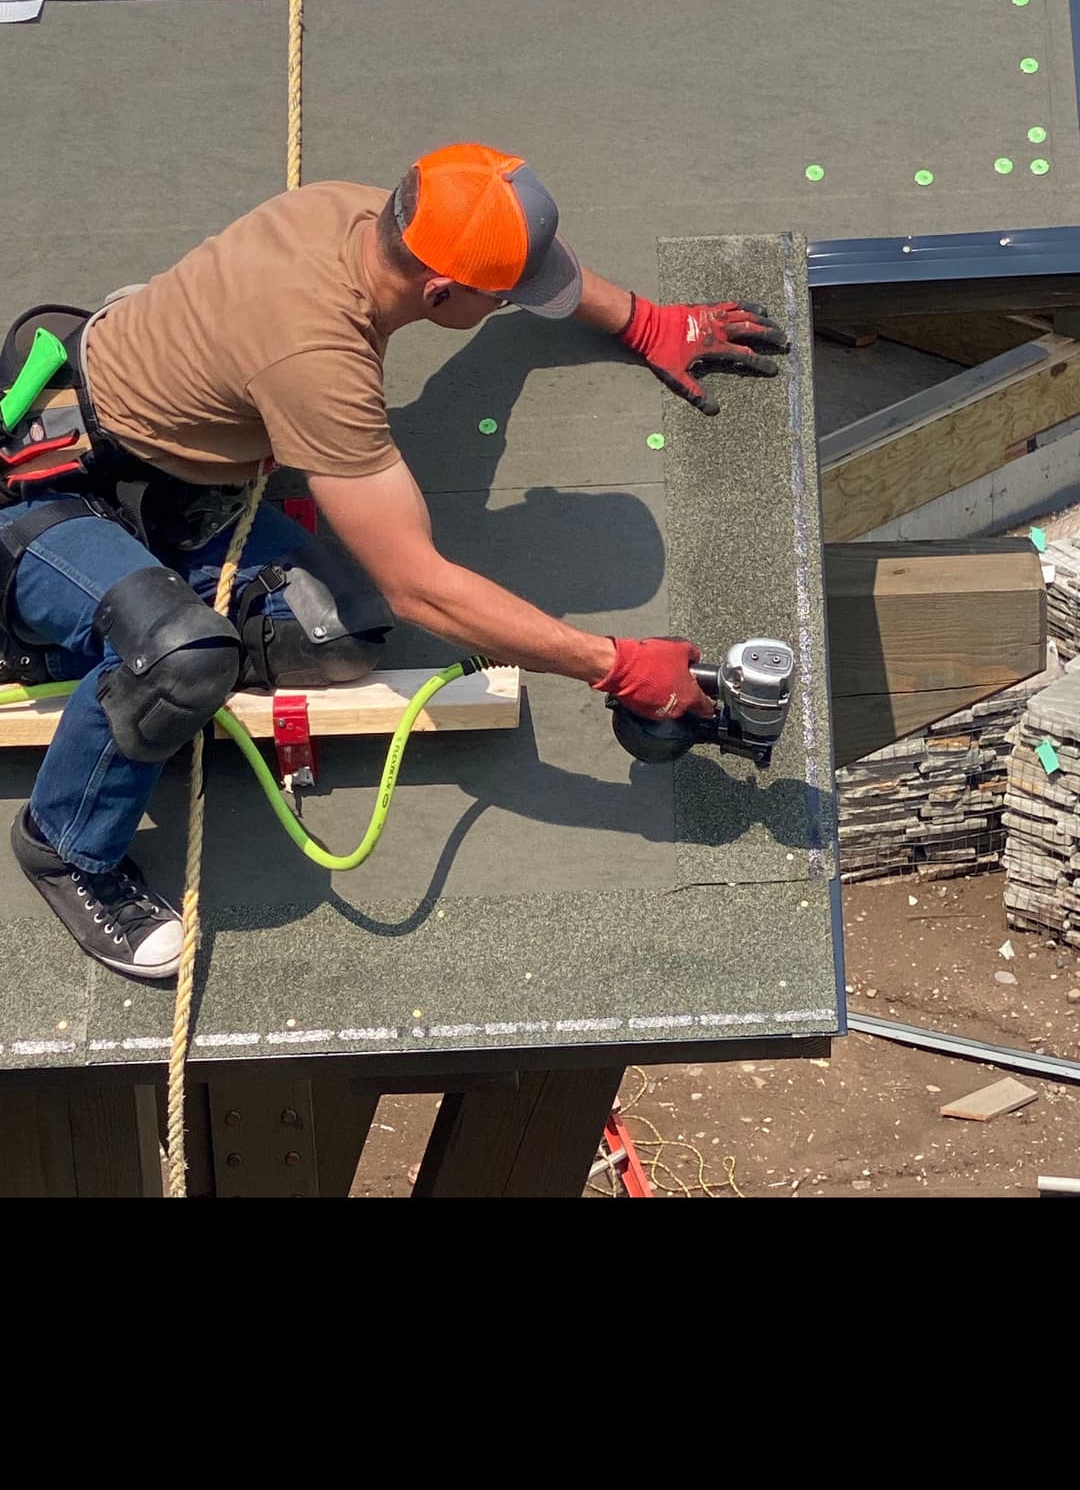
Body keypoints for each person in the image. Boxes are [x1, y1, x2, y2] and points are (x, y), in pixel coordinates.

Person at [0, 143, 788, 981]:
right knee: (186, 660)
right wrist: (615, 665)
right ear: (441, 293)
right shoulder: (317, 359)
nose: (508, 307)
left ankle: (133, 600)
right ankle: (68, 843)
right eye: (498, 300)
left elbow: (513, 265)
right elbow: (421, 587)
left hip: (170, 478)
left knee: (339, 636)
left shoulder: (374, 214)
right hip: (52, 493)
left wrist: (643, 319)